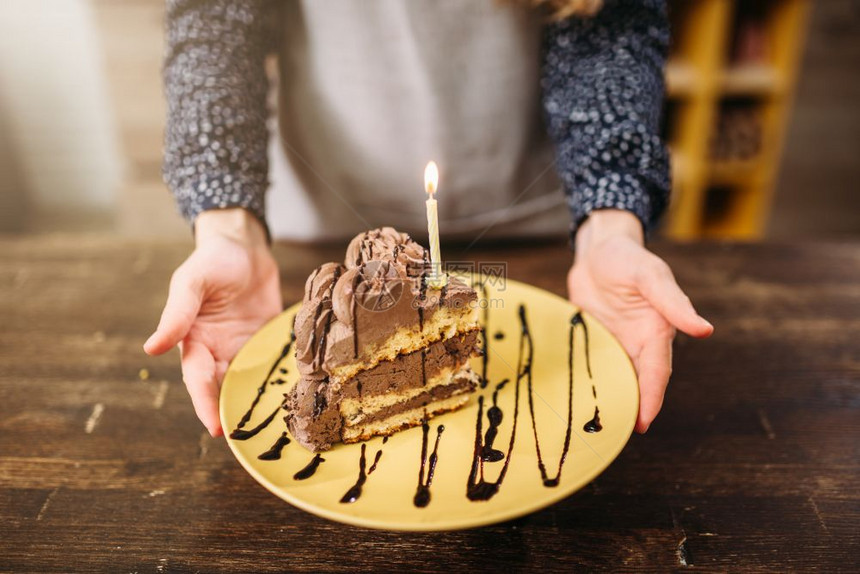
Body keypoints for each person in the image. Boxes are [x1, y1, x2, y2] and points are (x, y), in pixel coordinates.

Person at [144, 0, 713, 438]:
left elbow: (610, 27)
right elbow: (214, 24)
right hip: (317, 219)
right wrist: (228, 228)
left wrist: (611, 226)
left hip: (552, 227)